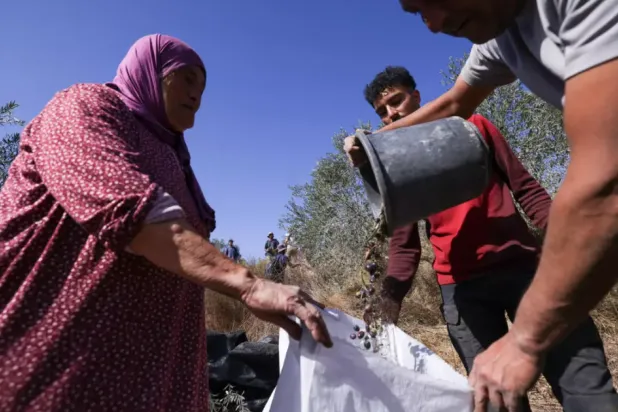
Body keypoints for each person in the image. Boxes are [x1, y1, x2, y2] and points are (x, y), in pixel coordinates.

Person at [0, 34, 331, 411]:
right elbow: (128, 208)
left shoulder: (175, 157)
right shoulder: (85, 106)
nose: (197, 94)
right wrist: (247, 284)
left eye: (203, 86)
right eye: (186, 78)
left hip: (157, 363)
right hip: (67, 347)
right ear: (150, 72)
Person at [344, 1, 618, 410]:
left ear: (416, 95)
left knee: (585, 387)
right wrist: (384, 308)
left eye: (397, 102)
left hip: (526, 268)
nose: (391, 113)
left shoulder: (475, 128)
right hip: (463, 291)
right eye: (382, 112)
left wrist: (568, 257)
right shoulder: (393, 172)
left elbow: (530, 191)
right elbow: (403, 247)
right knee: (498, 400)